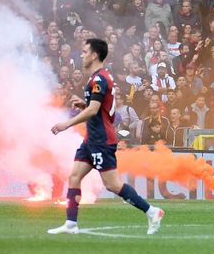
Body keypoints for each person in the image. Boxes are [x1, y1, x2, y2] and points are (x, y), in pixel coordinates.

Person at [47, 38, 164, 235]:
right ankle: (71, 223)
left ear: (94, 55)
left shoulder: (99, 79)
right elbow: (103, 110)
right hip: (91, 139)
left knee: (112, 184)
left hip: (101, 139)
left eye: (85, 51)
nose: (82, 54)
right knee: (74, 176)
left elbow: (95, 110)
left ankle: (152, 211)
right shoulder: (97, 78)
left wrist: (67, 123)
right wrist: (84, 105)